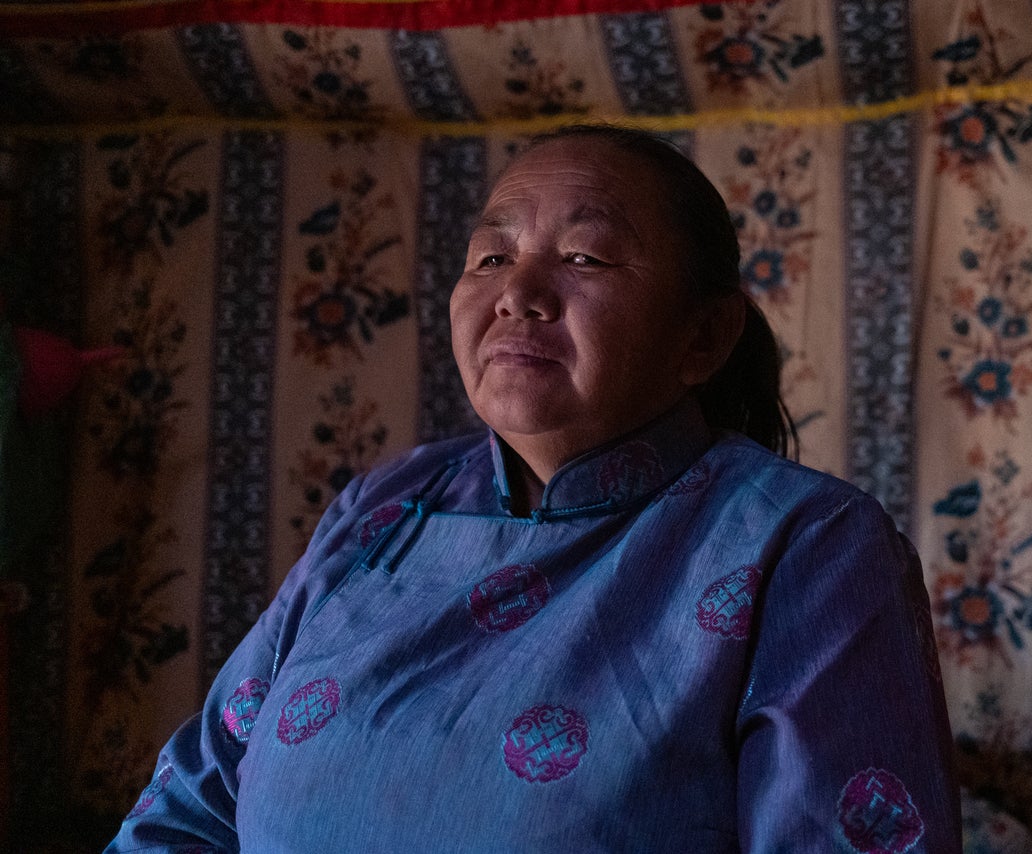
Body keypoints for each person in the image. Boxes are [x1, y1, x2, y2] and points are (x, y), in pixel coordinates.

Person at [107, 124, 961, 852]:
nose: (517, 293)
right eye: (491, 255)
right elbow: (194, 802)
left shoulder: (804, 544)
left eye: (585, 255)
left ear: (703, 337)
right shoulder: (382, 508)